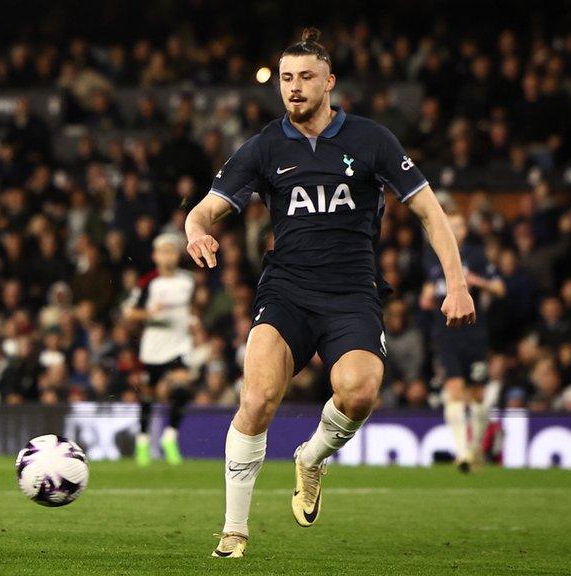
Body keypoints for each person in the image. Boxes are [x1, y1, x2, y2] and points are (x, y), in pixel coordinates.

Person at [184, 29, 476, 559]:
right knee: (256, 399)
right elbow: (204, 208)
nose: (294, 88)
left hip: (351, 294)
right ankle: (234, 530)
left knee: (360, 392)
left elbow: (430, 211)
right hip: (287, 292)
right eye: (286, 79)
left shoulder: (371, 140)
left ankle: (312, 457)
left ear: (329, 83)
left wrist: (456, 283)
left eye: (306, 78)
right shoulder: (266, 146)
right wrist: (196, 231)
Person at [420, 211, 505, 472]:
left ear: (465, 230)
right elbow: (426, 297)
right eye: (450, 225)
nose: (454, 229)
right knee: (455, 390)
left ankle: (476, 447)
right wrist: (428, 295)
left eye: (458, 225)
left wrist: (476, 281)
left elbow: (500, 288)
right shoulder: (434, 255)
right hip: (446, 335)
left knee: (477, 395)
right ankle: (462, 453)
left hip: (474, 333)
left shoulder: (476, 256)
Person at [123, 233, 195, 466]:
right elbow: (129, 312)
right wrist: (148, 313)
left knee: (183, 387)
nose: (168, 256)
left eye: (171, 251)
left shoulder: (188, 281)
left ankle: (170, 437)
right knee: (147, 396)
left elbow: (194, 306)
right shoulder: (148, 284)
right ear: (155, 256)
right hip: (153, 348)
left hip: (178, 345)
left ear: (178, 255)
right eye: (163, 251)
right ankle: (143, 441)